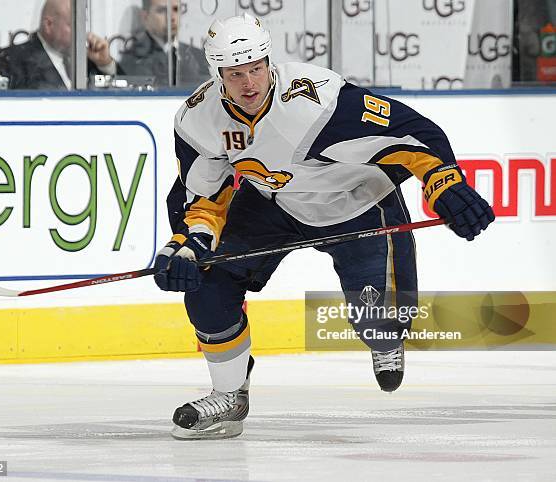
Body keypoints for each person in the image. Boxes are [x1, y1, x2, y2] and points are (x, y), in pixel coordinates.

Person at [153, 14, 495, 440]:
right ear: (217, 73)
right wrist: (188, 247)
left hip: (356, 203)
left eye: (256, 67)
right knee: (207, 280)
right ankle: (229, 396)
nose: (249, 83)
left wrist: (444, 182)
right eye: (235, 73)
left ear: (268, 59)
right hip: (272, 204)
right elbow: (204, 197)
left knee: (379, 321)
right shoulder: (198, 118)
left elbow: (413, 133)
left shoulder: (319, 102)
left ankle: (385, 338)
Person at [0, 0, 118, 90]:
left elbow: (124, 94)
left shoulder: (87, 62)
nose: (83, 33)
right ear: (48, 25)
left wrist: (105, 64)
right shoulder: (7, 61)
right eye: (74, 25)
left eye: (83, 25)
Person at [119, 0, 209, 87]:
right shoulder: (133, 59)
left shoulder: (199, 56)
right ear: (145, 17)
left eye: (175, 9)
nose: (172, 18)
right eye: (162, 10)